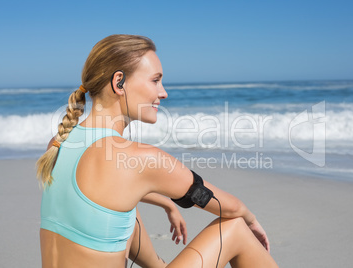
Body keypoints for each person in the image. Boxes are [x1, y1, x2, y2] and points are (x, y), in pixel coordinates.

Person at [36, 34, 278, 268]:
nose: (163, 92)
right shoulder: (139, 159)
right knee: (236, 227)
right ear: (119, 82)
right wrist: (252, 221)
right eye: (155, 80)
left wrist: (168, 204)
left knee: (127, 212)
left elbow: (100, 197)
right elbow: (233, 207)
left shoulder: (59, 143)